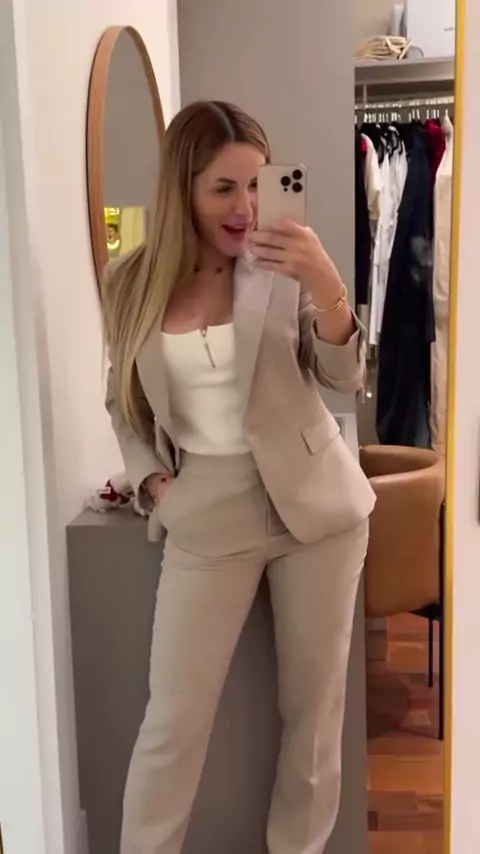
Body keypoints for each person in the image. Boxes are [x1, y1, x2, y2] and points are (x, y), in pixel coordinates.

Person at [102, 100, 376, 854]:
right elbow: (122, 404)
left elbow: (343, 378)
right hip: (205, 514)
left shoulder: (285, 264)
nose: (247, 207)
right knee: (172, 723)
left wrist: (327, 285)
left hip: (318, 513)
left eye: (257, 183)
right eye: (224, 187)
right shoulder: (131, 283)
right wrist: (155, 486)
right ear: (182, 189)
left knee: (312, 720)